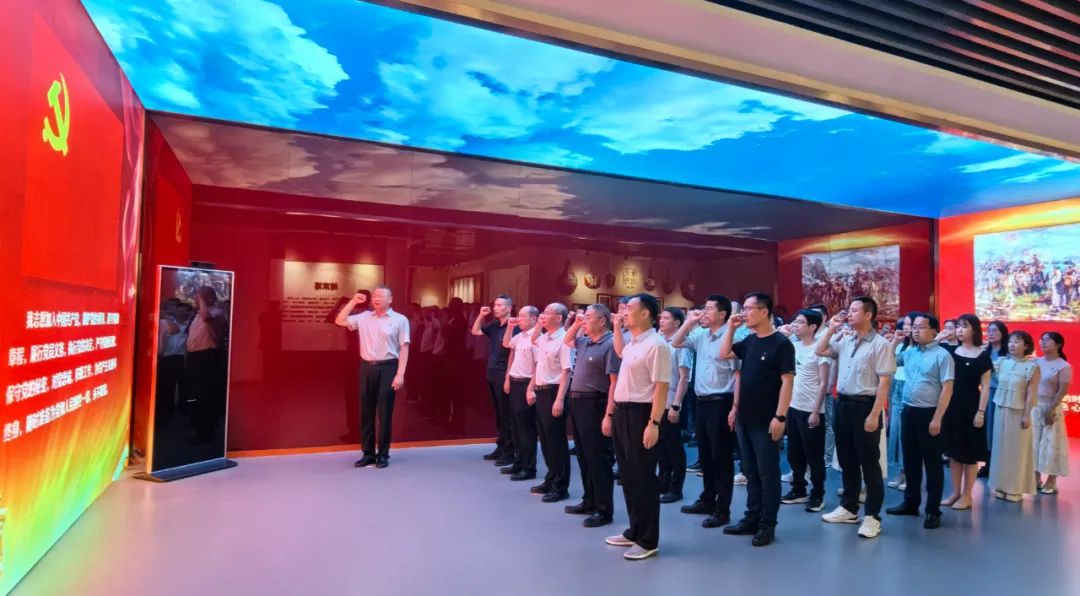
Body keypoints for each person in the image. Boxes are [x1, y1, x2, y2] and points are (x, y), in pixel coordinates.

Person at [719, 293, 795, 547]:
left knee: (767, 473)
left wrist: (780, 416)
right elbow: (724, 353)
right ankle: (751, 517)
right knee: (750, 471)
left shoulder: (781, 344)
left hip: (767, 419)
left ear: (764, 312)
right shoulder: (749, 341)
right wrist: (731, 328)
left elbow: (787, 382)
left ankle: (767, 524)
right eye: (744, 308)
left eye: (750, 308)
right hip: (745, 417)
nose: (745, 313)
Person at [816, 297, 895, 539]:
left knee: (869, 462)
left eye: (854, 310)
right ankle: (849, 508)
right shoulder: (846, 340)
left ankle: (872, 516)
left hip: (865, 406)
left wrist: (875, 414)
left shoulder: (880, 344)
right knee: (847, 459)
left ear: (868, 314)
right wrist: (831, 328)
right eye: (849, 310)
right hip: (843, 404)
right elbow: (820, 350)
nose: (849, 314)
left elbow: (884, 382)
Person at [603, 294, 671, 561]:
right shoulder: (633, 343)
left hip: (642, 414)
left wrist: (654, 423)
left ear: (645, 314)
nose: (624, 311)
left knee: (643, 477)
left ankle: (648, 539)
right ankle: (634, 530)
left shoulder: (657, 345)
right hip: (623, 412)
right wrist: (616, 327)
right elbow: (619, 351)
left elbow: (661, 388)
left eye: (629, 308)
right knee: (629, 476)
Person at [671, 295, 740, 529]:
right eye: (704, 308)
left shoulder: (731, 336)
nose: (704, 312)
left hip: (721, 401)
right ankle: (708, 499)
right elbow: (676, 342)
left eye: (709, 309)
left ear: (722, 314)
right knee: (706, 456)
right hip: (701, 401)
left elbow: (738, 375)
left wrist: (735, 407)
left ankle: (723, 509)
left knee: (722, 458)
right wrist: (689, 322)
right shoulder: (700, 335)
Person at [885, 313, 953, 530]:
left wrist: (937, 418)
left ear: (934, 330)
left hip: (930, 413)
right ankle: (911, 503)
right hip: (908, 411)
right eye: (913, 327)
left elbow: (947, 389)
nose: (915, 331)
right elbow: (887, 362)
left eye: (921, 327)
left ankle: (933, 510)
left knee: (932, 465)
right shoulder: (910, 352)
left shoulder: (942, 355)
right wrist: (895, 341)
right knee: (911, 461)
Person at [335, 286, 410, 469]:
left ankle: (383, 454)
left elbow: (404, 348)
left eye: (381, 296)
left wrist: (400, 374)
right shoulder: (364, 317)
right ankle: (368, 454)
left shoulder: (400, 319)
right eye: (374, 296)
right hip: (366, 367)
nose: (376, 299)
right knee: (366, 412)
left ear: (390, 299)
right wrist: (353, 301)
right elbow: (339, 320)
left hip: (388, 367)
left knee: (384, 412)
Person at [563, 305, 620, 527]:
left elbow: (614, 383)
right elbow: (567, 339)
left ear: (602, 321)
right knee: (584, 456)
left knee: (598, 459)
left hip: (596, 403)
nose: (584, 321)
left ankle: (604, 510)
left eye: (588, 317)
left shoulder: (610, 345)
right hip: (578, 403)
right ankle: (589, 501)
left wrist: (609, 414)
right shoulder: (585, 341)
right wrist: (577, 322)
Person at [780, 309, 831, 513]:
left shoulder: (820, 351)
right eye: (795, 321)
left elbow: (824, 383)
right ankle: (798, 489)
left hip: (811, 409)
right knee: (794, 453)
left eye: (800, 322)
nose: (795, 325)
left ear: (812, 327)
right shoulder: (793, 346)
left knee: (814, 456)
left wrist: (816, 411)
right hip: (793, 407)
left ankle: (818, 494)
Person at [939, 314, 991, 510]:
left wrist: (981, 411)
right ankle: (955, 492)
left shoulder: (982, 355)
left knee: (969, 454)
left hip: (971, 406)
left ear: (974, 330)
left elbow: (985, 387)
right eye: (958, 326)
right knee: (953, 452)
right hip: (952, 405)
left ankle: (968, 495)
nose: (960, 330)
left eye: (964, 326)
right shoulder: (950, 352)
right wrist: (940, 337)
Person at [527, 303, 574, 503]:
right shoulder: (544, 338)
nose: (543, 316)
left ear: (559, 318)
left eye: (548, 313)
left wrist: (560, 399)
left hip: (554, 392)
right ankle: (551, 477)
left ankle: (560, 486)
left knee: (556, 441)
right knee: (545, 439)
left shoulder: (564, 340)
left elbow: (566, 372)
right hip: (541, 390)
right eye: (543, 312)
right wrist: (531, 387)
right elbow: (532, 338)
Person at [989, 331, 1041, 502]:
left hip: (1019, 412)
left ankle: (1015, 488)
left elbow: (1031, 394)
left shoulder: (1032, 367)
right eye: (1010, 341)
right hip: (1000, 409)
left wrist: (1027, 415)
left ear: (1026, 346)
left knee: (1017, 450)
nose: (1012, 345)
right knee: (1000, 448)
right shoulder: (1002, 363)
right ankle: (1000, 485)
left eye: (1017, 342)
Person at [471, 295, 518, 466]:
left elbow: (513, 353)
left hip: (504, 374)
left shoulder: (514, 326)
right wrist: (481, 315)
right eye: (495, 305)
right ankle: (501, 446)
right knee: (498, 414)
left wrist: (508, 378)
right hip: (492, 373)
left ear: (509, 308)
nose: (495, 308)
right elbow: (475, 331)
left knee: (507, 415)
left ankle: (510, 451)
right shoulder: (494, 325)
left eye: (499, 305)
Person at [657, 307, 692, 504]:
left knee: (674, 447)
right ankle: (663, 481)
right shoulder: (660, 341)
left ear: (677, 323)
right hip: (658, 401)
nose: (661, 321)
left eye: (666, 318)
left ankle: (676, 488)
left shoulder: (682, 345)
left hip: (672, 401)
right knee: (661, 446)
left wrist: (676, 405)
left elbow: (684, 378)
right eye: (661, 318)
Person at [503, 306, 540, 481]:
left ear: (533, 318)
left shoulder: (536, 338)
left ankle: (528, 467)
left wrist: (531, 388)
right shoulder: (520, 336)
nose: (519, 319)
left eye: (522, 316)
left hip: (527, 383)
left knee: (526, 428)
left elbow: (539, 365)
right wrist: (510, 327)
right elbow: (506, 344)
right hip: (515, 382)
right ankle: (518, 462)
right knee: (516, 426)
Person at [1034, 332, 1072, 495]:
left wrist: (1051, 409)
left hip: (1051, 407)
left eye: (1047, 340)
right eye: (1042, 340)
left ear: (1058, 344)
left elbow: (1062, 391)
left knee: (1052, 444)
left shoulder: (1063, 366)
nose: (1043, 342)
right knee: (1034, 442)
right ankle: (1035, 477)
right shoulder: (1036, 362)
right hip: (1035, 407)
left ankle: (1051, 480)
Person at [978, 321, 1010, 478]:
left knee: (999, 429)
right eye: (989, 330)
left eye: (995, 331)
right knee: (987, 430)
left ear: (1003, 333)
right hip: (986, 393)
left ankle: (1001, 465)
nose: (990, 333)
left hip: (1002, 393)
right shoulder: (984, 351)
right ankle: (988, 463)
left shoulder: (1008, 353)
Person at [887, 314, 913, 491]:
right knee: (897, 433)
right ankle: (902, 472)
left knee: (908, 434)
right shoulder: (901, 346)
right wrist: (895, 341)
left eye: (910, 325)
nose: (906, 328)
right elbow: (887, 360)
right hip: (897, 387)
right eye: (904, 325)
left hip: (911, 390)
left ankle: (911, 475)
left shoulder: (918, 350)